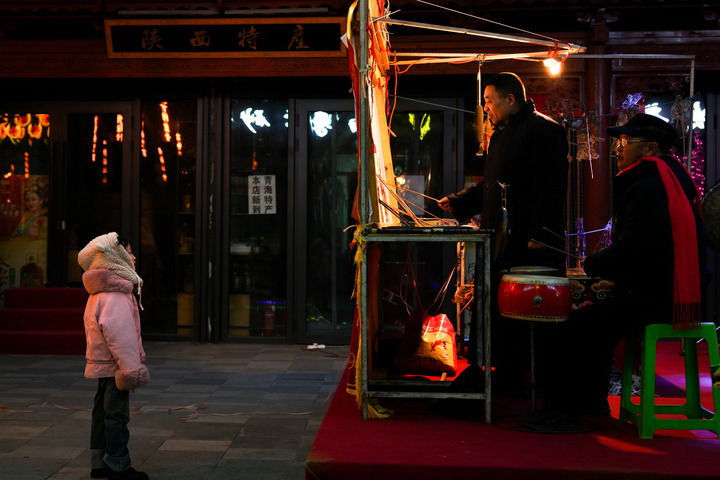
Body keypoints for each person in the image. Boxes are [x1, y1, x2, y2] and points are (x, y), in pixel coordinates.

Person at [528, 113, 706, 432]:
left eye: (626, 141)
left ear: (650, 147)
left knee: (569, 326)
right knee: (593, 323)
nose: (618, 148)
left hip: (652, 298)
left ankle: (564, 411)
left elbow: (636, 247)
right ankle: (591, 403)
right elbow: (652, 249)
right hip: (663, 292)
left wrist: (595, 264)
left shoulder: (648, 187)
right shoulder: (670, 179)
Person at [436, 72, 569, 393]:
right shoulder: (500, 135)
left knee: (526, 313)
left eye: (489, 101)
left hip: (529, 240)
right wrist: (459, 201)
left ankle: (535, 384)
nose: (486, 109)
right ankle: (504, 376)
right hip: (499, 237)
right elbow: (493, 186)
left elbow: (551, 189)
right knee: (499, 311)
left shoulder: (545, 130)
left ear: (510, 99)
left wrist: (542, 234)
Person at [78, 232, 150, 480]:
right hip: (116, 365)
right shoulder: (115, 293)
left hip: (104, 362)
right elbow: (120, 336)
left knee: (102, 412)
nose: (133, 256)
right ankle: (118, 465)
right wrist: (130, 369)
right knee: (116, 415)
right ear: (114, 257)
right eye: (128, 251)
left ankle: (99, 463)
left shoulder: (99, 290)